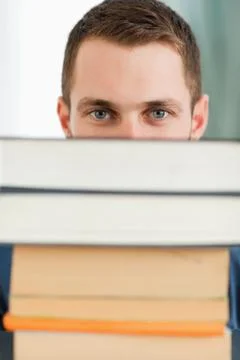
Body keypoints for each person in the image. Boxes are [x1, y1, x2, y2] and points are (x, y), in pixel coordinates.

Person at [0, 0, 239, 335]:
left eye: (157, 113)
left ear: (197, 120)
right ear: (66, 119)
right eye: (101, 113)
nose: (130, 141)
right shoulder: (9, 268)